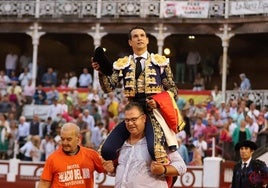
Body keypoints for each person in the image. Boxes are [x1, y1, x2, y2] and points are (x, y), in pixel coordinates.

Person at [92, 26, 183, 164]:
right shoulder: (123, 64)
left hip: (153, 113)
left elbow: (173, 90)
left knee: (156, 152)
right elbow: (108, 88)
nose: (139, 38)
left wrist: (158, 101)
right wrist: (102, 71)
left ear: (147, 40)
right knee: (106, 151)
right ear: (130, 42)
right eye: (135, 36)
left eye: (142, 35)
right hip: (132, 113)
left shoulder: (160, 62)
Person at [102, 102, 187, 188]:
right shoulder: (121, 144)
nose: (130, 123)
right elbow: (123, 171)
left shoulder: (157, 142)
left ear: (144, 118)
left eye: (134, 119)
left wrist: (164, 170)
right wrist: (112, 170)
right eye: (127, 120)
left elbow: (181, 166)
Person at [38, 123, 106, 188]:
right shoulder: (52, 159)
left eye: (69, 139)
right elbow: (43, 184)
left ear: (78, 139)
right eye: (62, 139)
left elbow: (108, 169)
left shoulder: (91, 155)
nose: (65, 143)